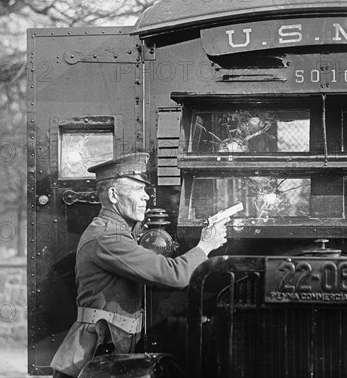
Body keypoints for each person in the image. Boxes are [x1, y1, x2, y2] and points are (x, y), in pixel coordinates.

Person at [51, 152, 229, 378]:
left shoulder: (117, 233)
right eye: (138, 190)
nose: (146, 197)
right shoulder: (109, 237)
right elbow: (174, 275)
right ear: (114, 195)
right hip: (93, 355)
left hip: (108, 350)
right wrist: (206, 245)